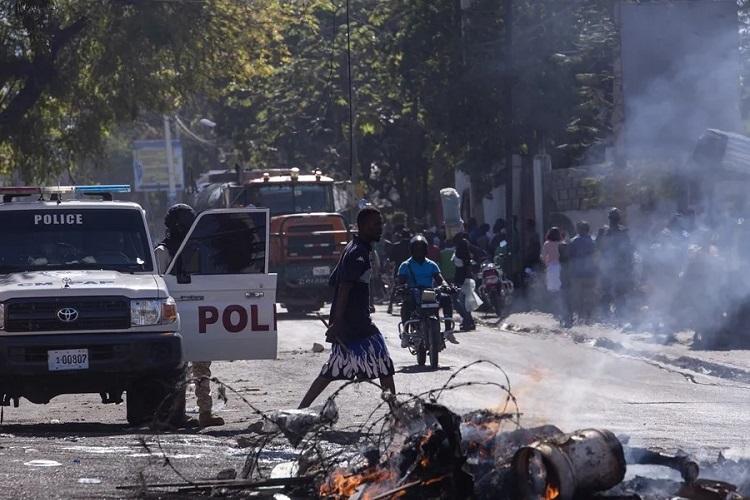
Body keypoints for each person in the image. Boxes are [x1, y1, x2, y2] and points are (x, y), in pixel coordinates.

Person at [298, 207, 396, 409]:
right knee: (384, 365)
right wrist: (337, 322)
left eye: (380, 223)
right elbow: (344, 287)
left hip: (350, 322)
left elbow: (335, 281)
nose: (380, 228)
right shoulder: (357, 252)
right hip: (356, 324)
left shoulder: (356, 248)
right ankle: (397, 415)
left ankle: (299, 410)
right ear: (363, 226)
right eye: (376, 224)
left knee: (332, 370)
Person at [155, 204, 225, 428]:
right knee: (176, 369)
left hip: (197, 312)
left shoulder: (198, 250)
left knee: (201, 366)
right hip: (173, 316)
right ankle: (175, 415)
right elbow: (158, 285)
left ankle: (205, 412)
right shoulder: (163, 252)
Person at [397, 234, 459, 346]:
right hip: (414, 294)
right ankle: (406, 334)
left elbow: (440, 279)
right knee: (406, 305)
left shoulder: (432, 264)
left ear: (426, 250)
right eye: (416, 249)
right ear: (412, 250)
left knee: (446, 298)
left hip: (430, 293)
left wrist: (446, 287)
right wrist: (402, 288)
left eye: (421, 248)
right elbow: (401, 281)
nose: (419, 251)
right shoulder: (405, 265)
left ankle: (448, 331)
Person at [597, 208, 635, 320]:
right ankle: (609, 314)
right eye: (613, 218)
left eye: (615, 218)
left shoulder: (622, 232)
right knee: (609, 291)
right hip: (609, 266)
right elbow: (598, 246)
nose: (613, 220)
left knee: (617, 292)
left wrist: (629, 266)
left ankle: (616, 314)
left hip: (618, 266)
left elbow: (628, 250)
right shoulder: (604, 231)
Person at [568, 221, 598, 323]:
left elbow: (569, 257)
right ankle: (589, 317)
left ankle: (580, 317)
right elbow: (597, 256)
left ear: (579, 229)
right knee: (589, 296)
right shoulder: (593, 241)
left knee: (578, 297)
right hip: (591, 273)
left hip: (577, 273)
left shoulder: (573, 241)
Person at [451, 231, 477, 331]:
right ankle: (469, 321)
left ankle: (467, 320)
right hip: (466, 279)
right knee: (465, 303)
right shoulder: (467, 256)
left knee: (458, 301)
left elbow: (460, 268)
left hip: (461, 280)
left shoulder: (461, 256)